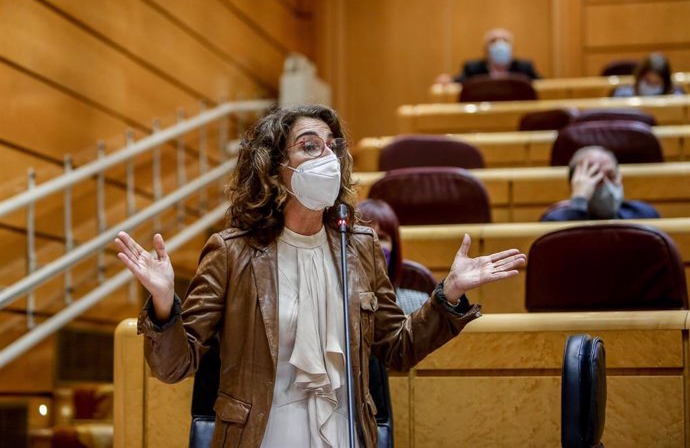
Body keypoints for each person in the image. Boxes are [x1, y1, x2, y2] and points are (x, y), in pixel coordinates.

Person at [114, 105, 526, 447]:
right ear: (275, 168)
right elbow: (173, 367)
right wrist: (165, 303)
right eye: (310, 146)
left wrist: (449, 293)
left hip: (345, 435)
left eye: (333, 148)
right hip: (260, 437)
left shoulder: (360, 247)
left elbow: (396, 349)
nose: (326, 158)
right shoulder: (232, 252)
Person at [541, 145, 660, 221]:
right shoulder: (556, 220)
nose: (607, 184)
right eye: (595, 177)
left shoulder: (645, 214)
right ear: (576, 183)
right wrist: (579, 200)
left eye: (612, 176)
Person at [358, 198, 428, 315]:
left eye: (381, 237)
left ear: (394, 247)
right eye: (365, 236)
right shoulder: (335, 306)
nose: (375, 245)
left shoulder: (420, 305)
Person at [435, 28, 540, 85]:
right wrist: (447, 81)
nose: (500, 45)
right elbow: (457, 82)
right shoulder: (473, 68)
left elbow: (544, 86)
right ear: (485, 50)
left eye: (505, 41)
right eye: (493, 41)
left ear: (513, 48)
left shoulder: (524, 68)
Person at [612, 52, 684, 97]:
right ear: (639, 78)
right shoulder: (622, 96)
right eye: (647, 81)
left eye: (656, 83)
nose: (651, 87)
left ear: (666, 84)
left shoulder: (677, 98)